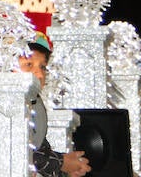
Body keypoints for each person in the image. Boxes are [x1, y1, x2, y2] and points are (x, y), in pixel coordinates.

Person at [18, 32, 91, 177]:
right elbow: (19, 153)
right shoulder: (3, 104)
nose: (39, 74)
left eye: (43, 67)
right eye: (28, 65)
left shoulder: (35, 105)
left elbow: (40, 153)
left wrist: (67, 169)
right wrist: (62, 163)